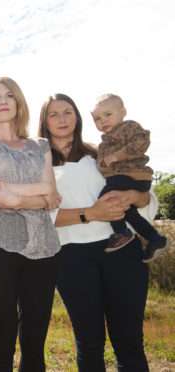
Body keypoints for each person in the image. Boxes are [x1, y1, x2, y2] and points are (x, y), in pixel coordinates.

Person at [38, 93, 157, 371]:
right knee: (90, 343)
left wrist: (133, 196)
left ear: (78, 118)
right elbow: (37, 218)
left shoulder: (100, 153)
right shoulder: (37, 165)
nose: (62, 119)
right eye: (53, 114)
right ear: (44, 122)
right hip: (71, 259)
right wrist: (91, 213)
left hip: (122, 251)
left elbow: (145, 197)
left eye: (68, 112)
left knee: (129, 342)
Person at [0, 76, 62, 372]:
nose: (4, 101)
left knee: (34, 342)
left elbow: (53, 195)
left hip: (43, 248)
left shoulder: (41, 145)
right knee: (3, 340)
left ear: (19, 102)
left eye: (9, 95)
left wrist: (15, 197)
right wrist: (39, 191)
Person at [91, 93, 169, 260]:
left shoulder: (128, 127)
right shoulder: (103, 143)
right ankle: (155, 239)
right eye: (97, 118)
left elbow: (142, 141)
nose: (103, 121)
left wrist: (117, 156)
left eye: (108, 115)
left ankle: (121, 233)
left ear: (123, 112)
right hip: (124, 178)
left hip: (132, 175)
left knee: (106, 199)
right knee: (128, 212)